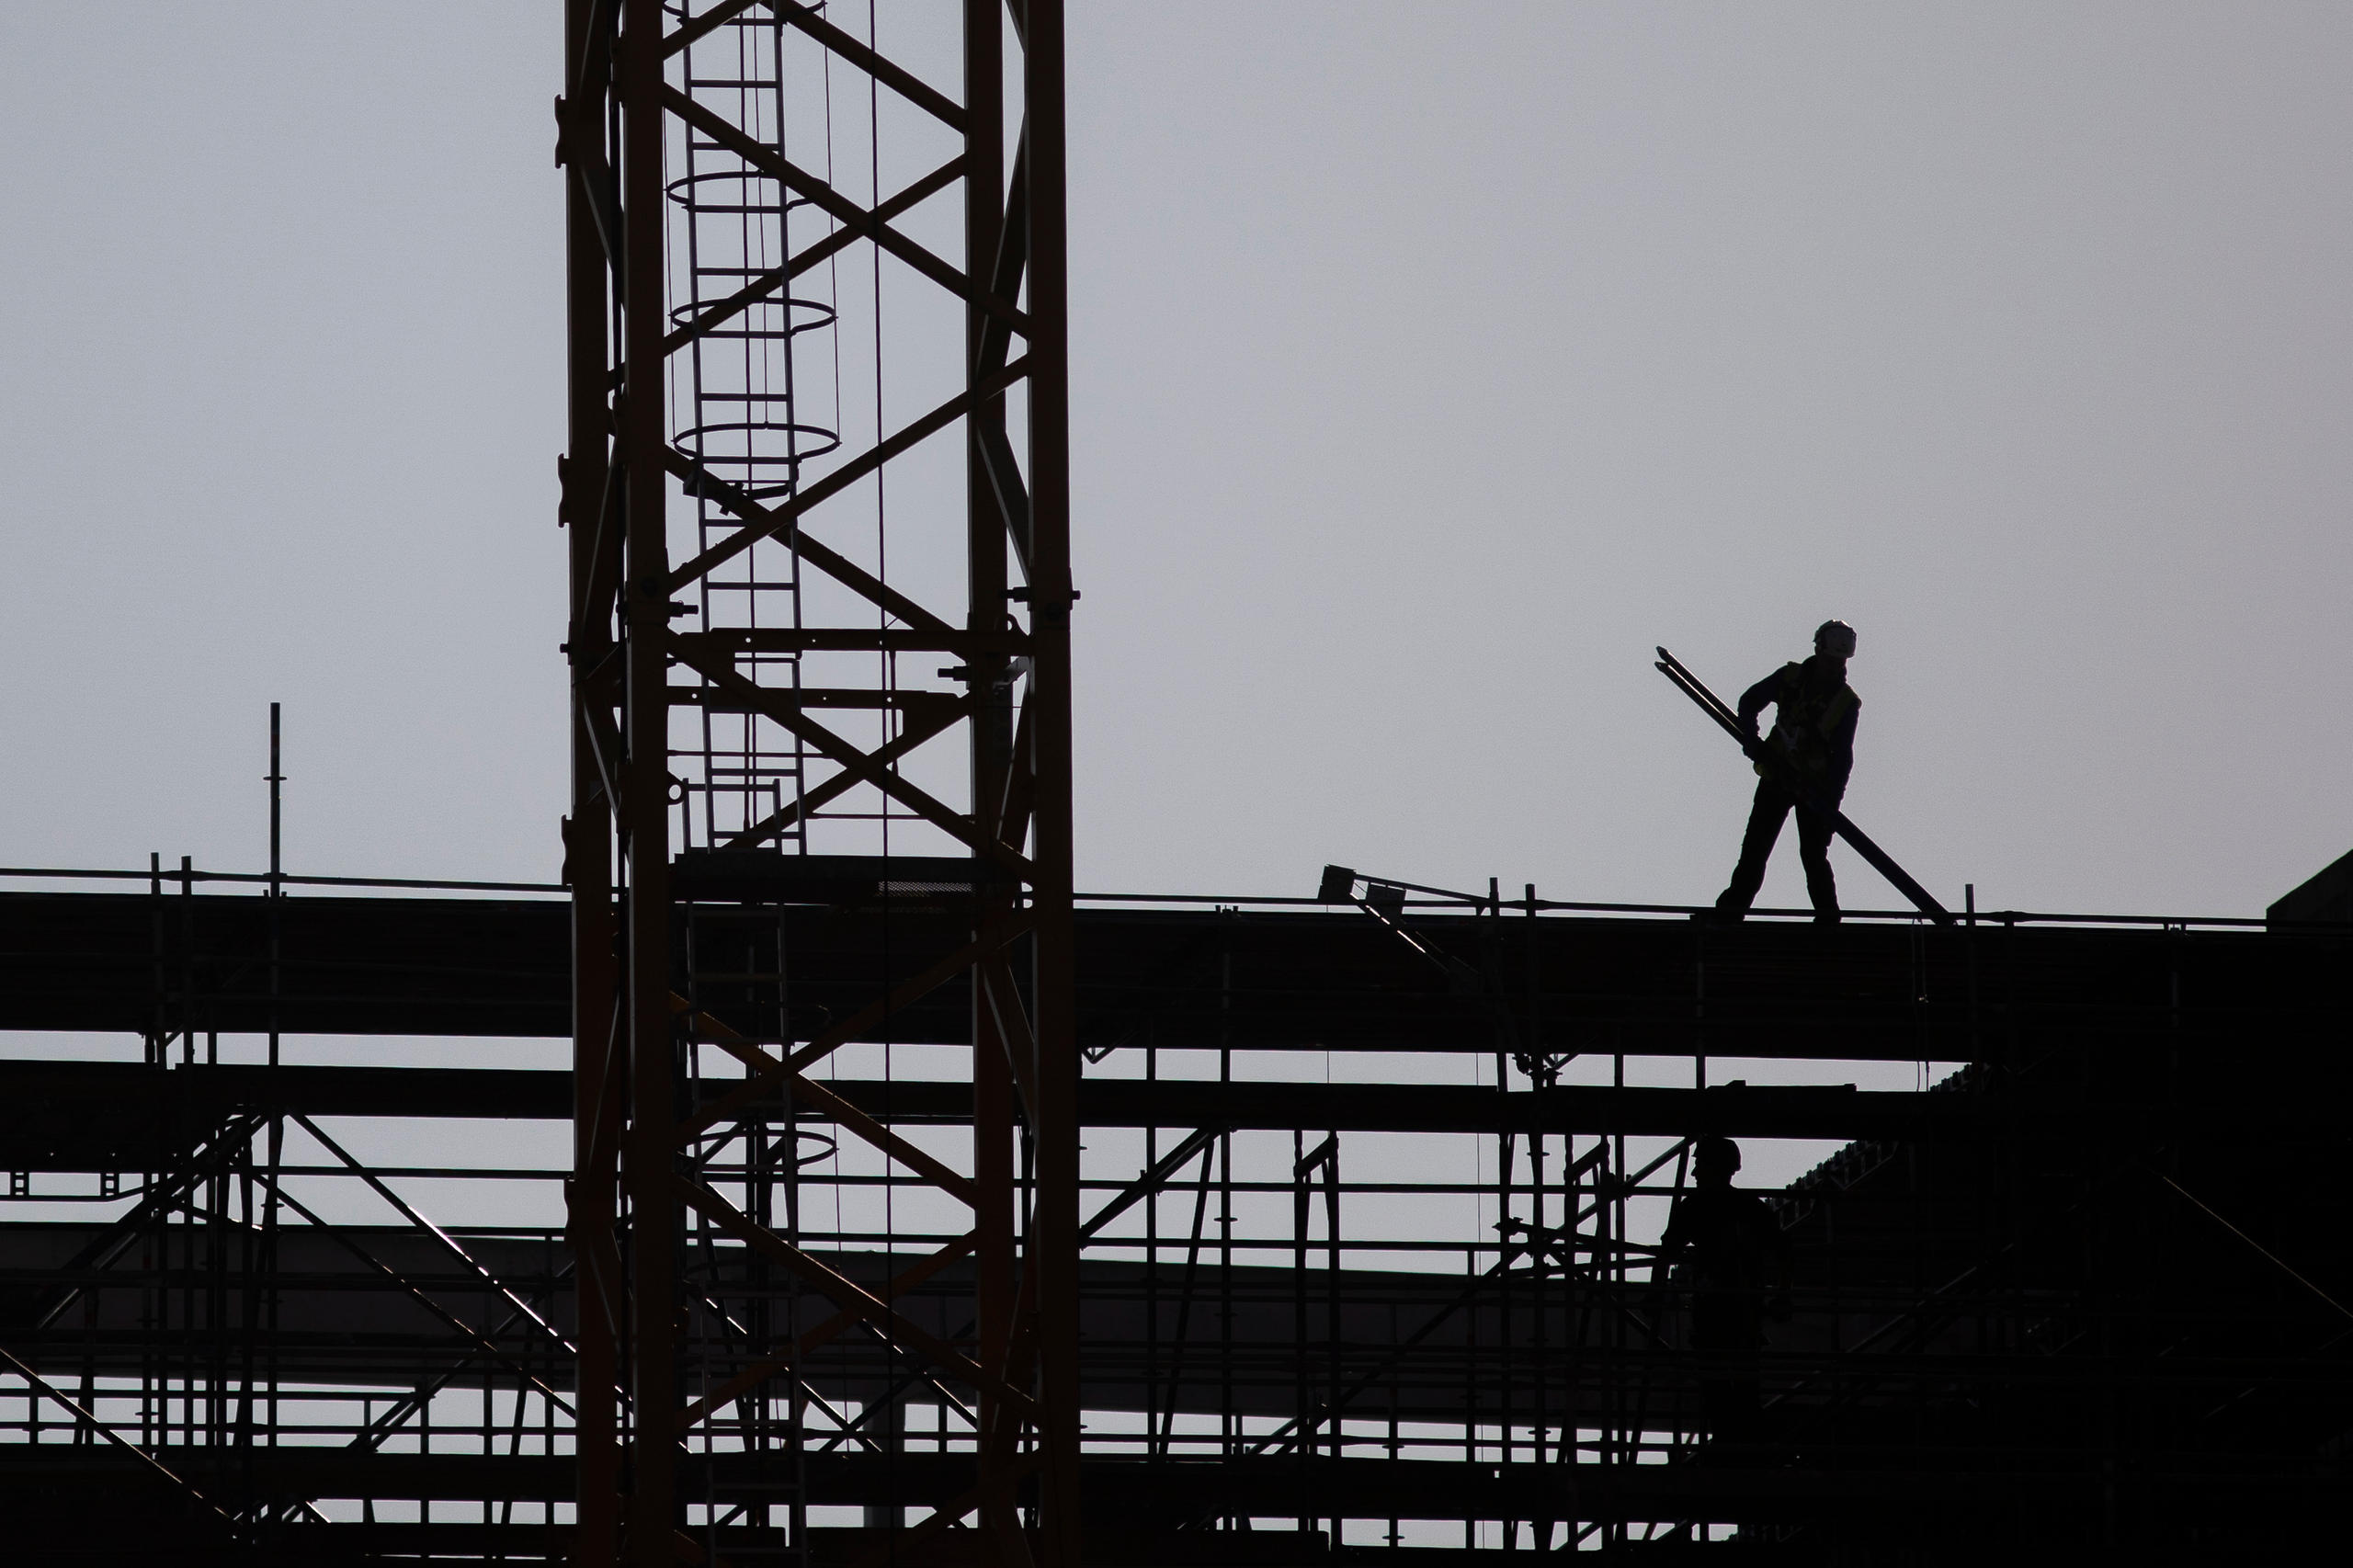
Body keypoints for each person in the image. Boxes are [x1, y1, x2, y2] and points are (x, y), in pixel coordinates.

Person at [1713, 619, 1859, 922]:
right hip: (1777, 777)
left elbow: (1843, 760)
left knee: (1813, 857)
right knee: (1754, 854)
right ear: (1818, 650)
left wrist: (1830, 807)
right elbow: (1749, 701)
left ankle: (1828, 922)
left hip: (1813, 790)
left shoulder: (1845, 703)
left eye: (1839, 661)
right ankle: (1728, 916)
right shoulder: (1790, 677)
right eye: (1831, 659)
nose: (1834, 667)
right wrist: (1752, 740)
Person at [1657, 1136, 1790, 1446]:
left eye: (1699, 1165)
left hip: (1717, 1309)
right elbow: (1784, 1252)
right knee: (1742, 1385)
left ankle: (1731, 1446)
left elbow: (1666, 1253)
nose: (1694, 1174)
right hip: (1743, 1310)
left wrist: (1656, 1293)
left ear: (1715, 1167)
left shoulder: (1696, 1207)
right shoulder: (1749, 1207)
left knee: (1717, 1384)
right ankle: (1743, 1445)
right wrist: (1783, 1295)